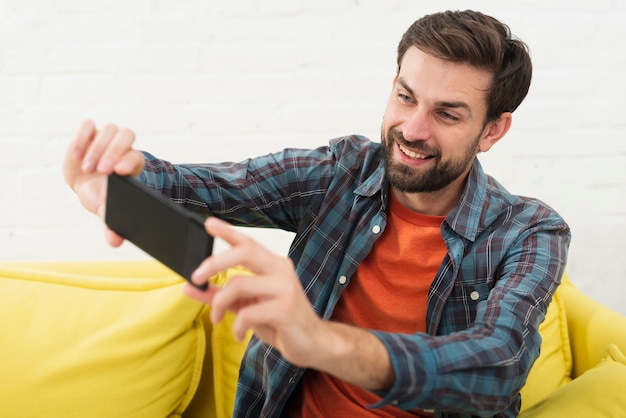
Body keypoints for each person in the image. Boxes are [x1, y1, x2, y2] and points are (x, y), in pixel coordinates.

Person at [63, 9, 570, 418]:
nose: (412, 129)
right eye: (405, 97)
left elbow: (497, 365)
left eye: (447, 113)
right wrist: (119, 179)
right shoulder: (341, 171)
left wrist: (320, 341)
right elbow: (211, 186)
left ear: (492, 131)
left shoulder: (530, 231)